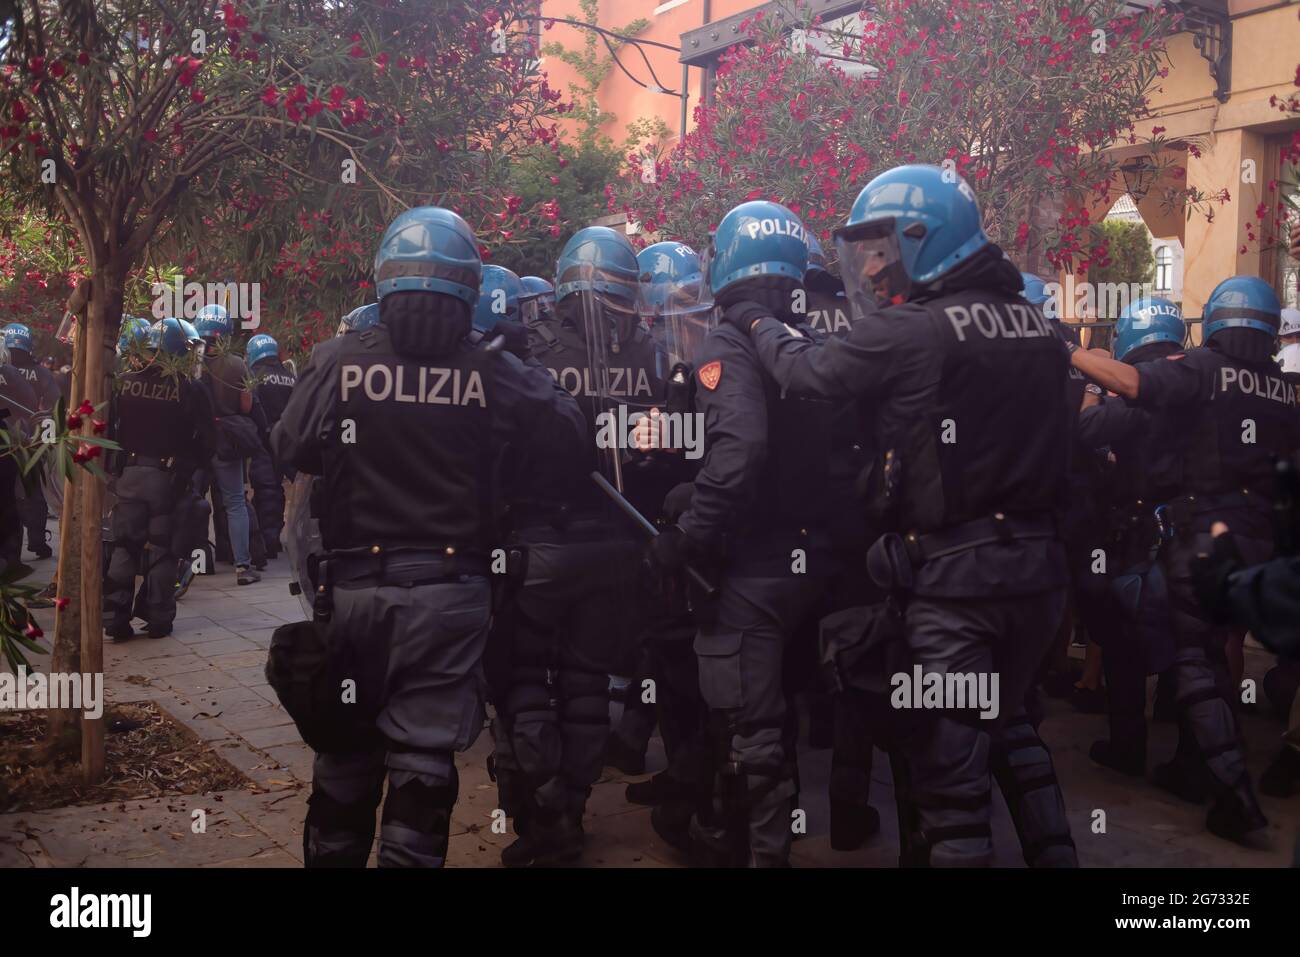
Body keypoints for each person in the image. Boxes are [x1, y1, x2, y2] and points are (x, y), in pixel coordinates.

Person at [725, 165, 1078, 867]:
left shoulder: (914, 329)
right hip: (1039, 576)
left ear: (925, 239)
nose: (871, 267)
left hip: (956, 586)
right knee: (1009, 730)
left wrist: (758, 320)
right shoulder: (1036, 325)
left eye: (881, 248)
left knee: (950, 777)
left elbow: (806, 373)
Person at [272, 205, 586, 869]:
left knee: (346, 748)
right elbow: (567, 438)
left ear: (385, 277)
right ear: (469, 283)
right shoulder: (492, 368)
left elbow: (289, 443)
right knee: (422, 757)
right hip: (454, 595)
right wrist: (519, 363)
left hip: (355, 590)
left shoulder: (340, 359)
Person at [1069, 274, 1300, 846]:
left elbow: (1108, 407)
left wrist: (1073, 353)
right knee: (1215, 653)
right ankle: (1202, 768)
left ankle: (1227, 791)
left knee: (1186, 659)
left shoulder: (1192, 374)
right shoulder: (1286, 388)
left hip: (1190, 532)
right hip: (1257, 538)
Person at [646, 200, 833, 867]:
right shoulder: (800, 338)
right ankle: (725, 833)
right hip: (813, 559)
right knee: (772, 717)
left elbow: (742, 453)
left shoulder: (729, 340)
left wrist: (691, 528)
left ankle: (761, 852)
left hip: (753, 564)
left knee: (750, 730)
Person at [494, 225, 663, 867]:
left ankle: (545, 818)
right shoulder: (652, 354)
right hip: (619, 548)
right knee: (588, 683)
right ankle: (574, 804)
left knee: (525, 680)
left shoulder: (529, 350)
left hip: (540, 543)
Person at [1075, 296, 1186, 776]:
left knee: (1123, 644)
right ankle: (1186, 742)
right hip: (1193, 529)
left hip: (1141, 534)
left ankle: (1127, 746)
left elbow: (1089, 428)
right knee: (1192, 641)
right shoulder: (1197, 383)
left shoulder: (1137, 395)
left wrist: (1093, 380)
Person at [103, 318, 216, 640]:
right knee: (162, 549)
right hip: (167, 481)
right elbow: (209, 442)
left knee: (124, 547)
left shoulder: (125, 381)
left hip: (128, 476)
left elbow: (110, 426)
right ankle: (158, 618)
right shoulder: (190, 388)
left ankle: (115, 618)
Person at [196, 303, 261, 585]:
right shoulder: (236, 364)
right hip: (226, 442)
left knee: (193, 501)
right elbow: (246, 406)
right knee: (235, 502)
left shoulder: (189, 364)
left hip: (197, 441)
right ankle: (242, 567)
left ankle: (192, 563)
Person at [3, 322, 60, 560]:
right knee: (32, 492)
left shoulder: (7, 371)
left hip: (9, 442)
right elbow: (53, 407)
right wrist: (47, 441)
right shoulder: (41, 374)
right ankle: (36, 541)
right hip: (30, 442)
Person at [245, 333, 296, 559]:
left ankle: (268, 541)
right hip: (288, 441)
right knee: (286, 490)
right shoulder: (290, 376)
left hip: (263, 442)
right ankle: (277, 535)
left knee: (267, 491)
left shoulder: (254, 377)